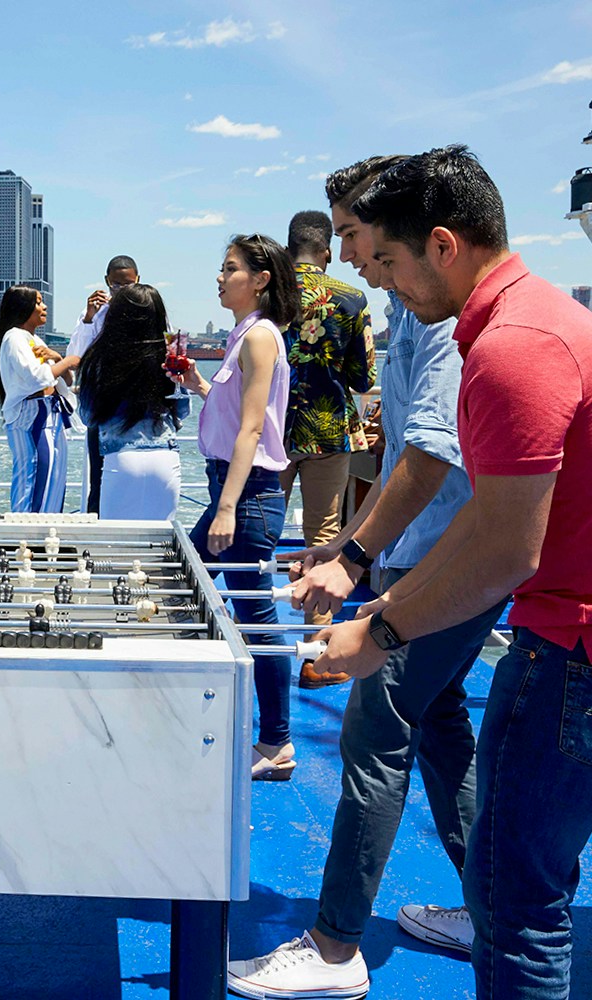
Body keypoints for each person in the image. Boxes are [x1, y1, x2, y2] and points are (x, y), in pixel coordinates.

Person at [311, 145, 592, 1000]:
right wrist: (385, 604)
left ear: (442, 245)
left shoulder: (509, 349)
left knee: (519, 911)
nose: (385, 282)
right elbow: (497, 509)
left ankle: (332, 945)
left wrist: (382, 629)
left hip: (566, 651)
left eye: (388, 261)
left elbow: (510, 549)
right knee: (526, 882)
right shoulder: (545, 318)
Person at [228, 156, 504, 1000]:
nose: (351, 257)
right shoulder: (400, 309)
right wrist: (348, 540)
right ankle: (486, 909)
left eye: (361, 239)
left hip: (444, 559)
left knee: (374, 732)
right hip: (416, 546)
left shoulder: (440, 316)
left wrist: (353, 561)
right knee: (446, 727)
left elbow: (428, 455)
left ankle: (336, 946)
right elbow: (400, 456)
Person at [168, 234, 299, 780]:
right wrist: (199, 385)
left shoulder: (261, 337)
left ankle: (276, 744)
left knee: (249, 619)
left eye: (230, 269)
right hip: (235, 487)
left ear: (261, 279)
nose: (219, 278)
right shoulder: (241, 335)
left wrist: (225, 509)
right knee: (202, 596)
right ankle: (267, 737)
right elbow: (238, 418)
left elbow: (252, 430)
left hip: (246, 496)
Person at [278, 209, 377, 688]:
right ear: (325, 251)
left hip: (271, 434)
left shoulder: (266, 293)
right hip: (327, 430)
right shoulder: (352, 299)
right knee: (321, 539)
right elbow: (363, 378)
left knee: (256, 534)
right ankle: (316, 659)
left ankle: (240, 641)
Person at [76, 282, 187, 520]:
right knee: (162, 547)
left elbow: (87, 416)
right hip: (165, 457)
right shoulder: (170, 357)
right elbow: (183, 409)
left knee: (115, 547)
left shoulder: (98, 358)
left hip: (121, 457)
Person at [66, 254, 140, 513]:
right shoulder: (94, 315)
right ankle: (95, 537)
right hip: (102, 407)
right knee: (99, 478)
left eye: (128, 284)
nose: (121, 291)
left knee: (134, 475)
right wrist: (88, 318)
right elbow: (76, 357)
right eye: (116, 285)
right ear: (107, 282)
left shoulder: (147, 309)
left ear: (138, 281)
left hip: (136, 407)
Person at [0, 285, 77, 513]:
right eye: (38, 302)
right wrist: (68, 361)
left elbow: (65, 382)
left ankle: (48, 529)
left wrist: (60, 358)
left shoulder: (35, 340)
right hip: (32, 415)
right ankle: (27, 532)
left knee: (54, 473)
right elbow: (36, 377)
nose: (44, 306)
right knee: (35, 472)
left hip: (51, 413)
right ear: (24, 308)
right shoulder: (14, 338)